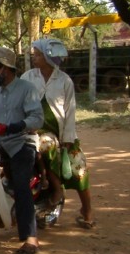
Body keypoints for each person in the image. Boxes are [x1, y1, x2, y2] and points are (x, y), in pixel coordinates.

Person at [0, 47, 44, 254]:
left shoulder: (27, 89)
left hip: (20, 142)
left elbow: (37, 118)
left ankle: (30, 238)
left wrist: (18, 125)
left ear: (5, 69)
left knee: (20, 182)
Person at [22, 38, 95, 229]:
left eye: (38, 54)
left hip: (62, 133)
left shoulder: (64, 81)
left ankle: (87, 211)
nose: (34, 57)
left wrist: (68, 139)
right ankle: (55, 189)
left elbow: (70, 111)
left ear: (48, 57)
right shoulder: (28, 77)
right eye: (35, 54)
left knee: (78, 169)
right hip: (37, 132)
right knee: (43, 146)